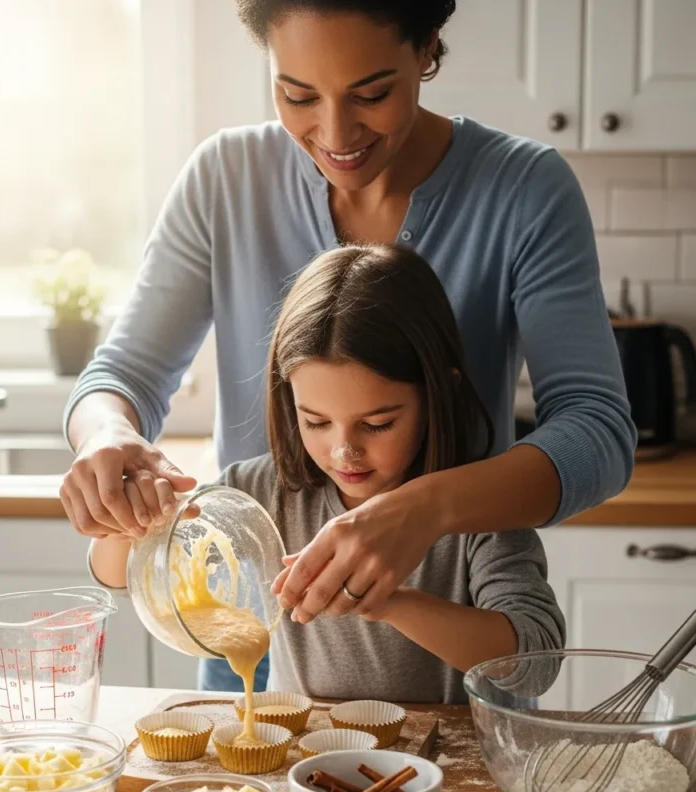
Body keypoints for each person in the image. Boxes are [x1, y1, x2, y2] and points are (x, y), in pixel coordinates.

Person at [61, 0, 635, 693]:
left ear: (426, 50)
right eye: (296, 94)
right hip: (259, 624)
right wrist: (106, 439)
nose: (334, 133)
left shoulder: (522, 190)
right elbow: (123, 375)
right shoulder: (224, 177)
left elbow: (596, 432)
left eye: (372, 93)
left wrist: (421, 513)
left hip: (437, 657)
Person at [88, 244, 565, 702]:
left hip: (438, 773)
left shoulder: (477, 507)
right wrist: (130, 519)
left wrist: (388, 601)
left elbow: (536, 663)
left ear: (440, 391)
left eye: (378, 424)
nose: (344, 451)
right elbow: (117, 577)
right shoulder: (260, 494)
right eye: (315, 421)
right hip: (305, 770)